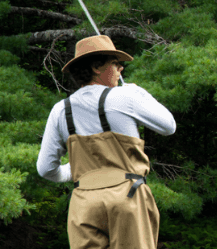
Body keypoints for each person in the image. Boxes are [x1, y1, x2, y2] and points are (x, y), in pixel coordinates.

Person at [36, 35, 176, 249]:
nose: (121, 68)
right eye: (115, 63)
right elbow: (168, 126)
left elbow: (45, 169)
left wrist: (74, 171)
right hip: (127, 197)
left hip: (83, 203)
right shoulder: (124, 97)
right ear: (96, 67)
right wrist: (138, 92)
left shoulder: (60, 110)